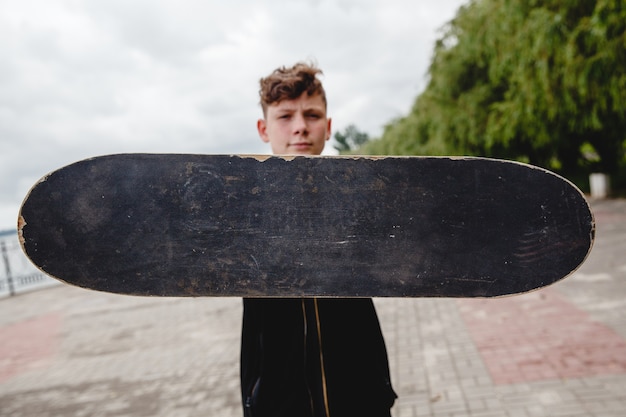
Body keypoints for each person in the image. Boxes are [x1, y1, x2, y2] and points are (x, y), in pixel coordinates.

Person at [240, 62, 397, 417]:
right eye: (285, 117)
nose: (300, 128)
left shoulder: (360, 197)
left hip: (361, 397)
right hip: (277, 402)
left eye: (311, 115)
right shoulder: (246, 208)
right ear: (264, 128)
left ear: (327, 127)